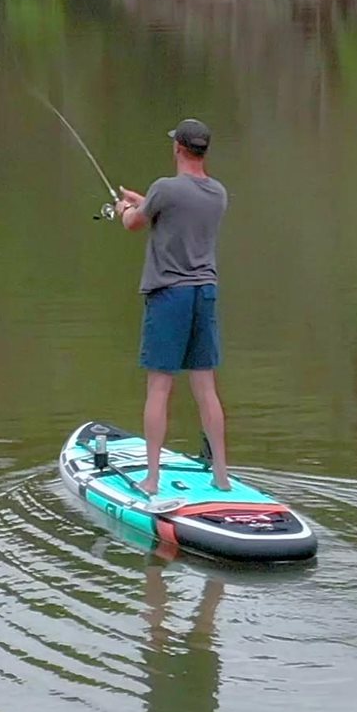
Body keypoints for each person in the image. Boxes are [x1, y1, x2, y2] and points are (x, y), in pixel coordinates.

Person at [114, 118, 228, 499]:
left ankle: (151, 478)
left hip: (169, 296)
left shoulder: (165, 188)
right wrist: (143, 202)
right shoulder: (217, 193)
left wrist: (123, 209)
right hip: (204, 294)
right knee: (206, 388)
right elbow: (171, 209)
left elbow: (134, 223)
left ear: (178, 147)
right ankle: (222, 476)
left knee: (159, 389)